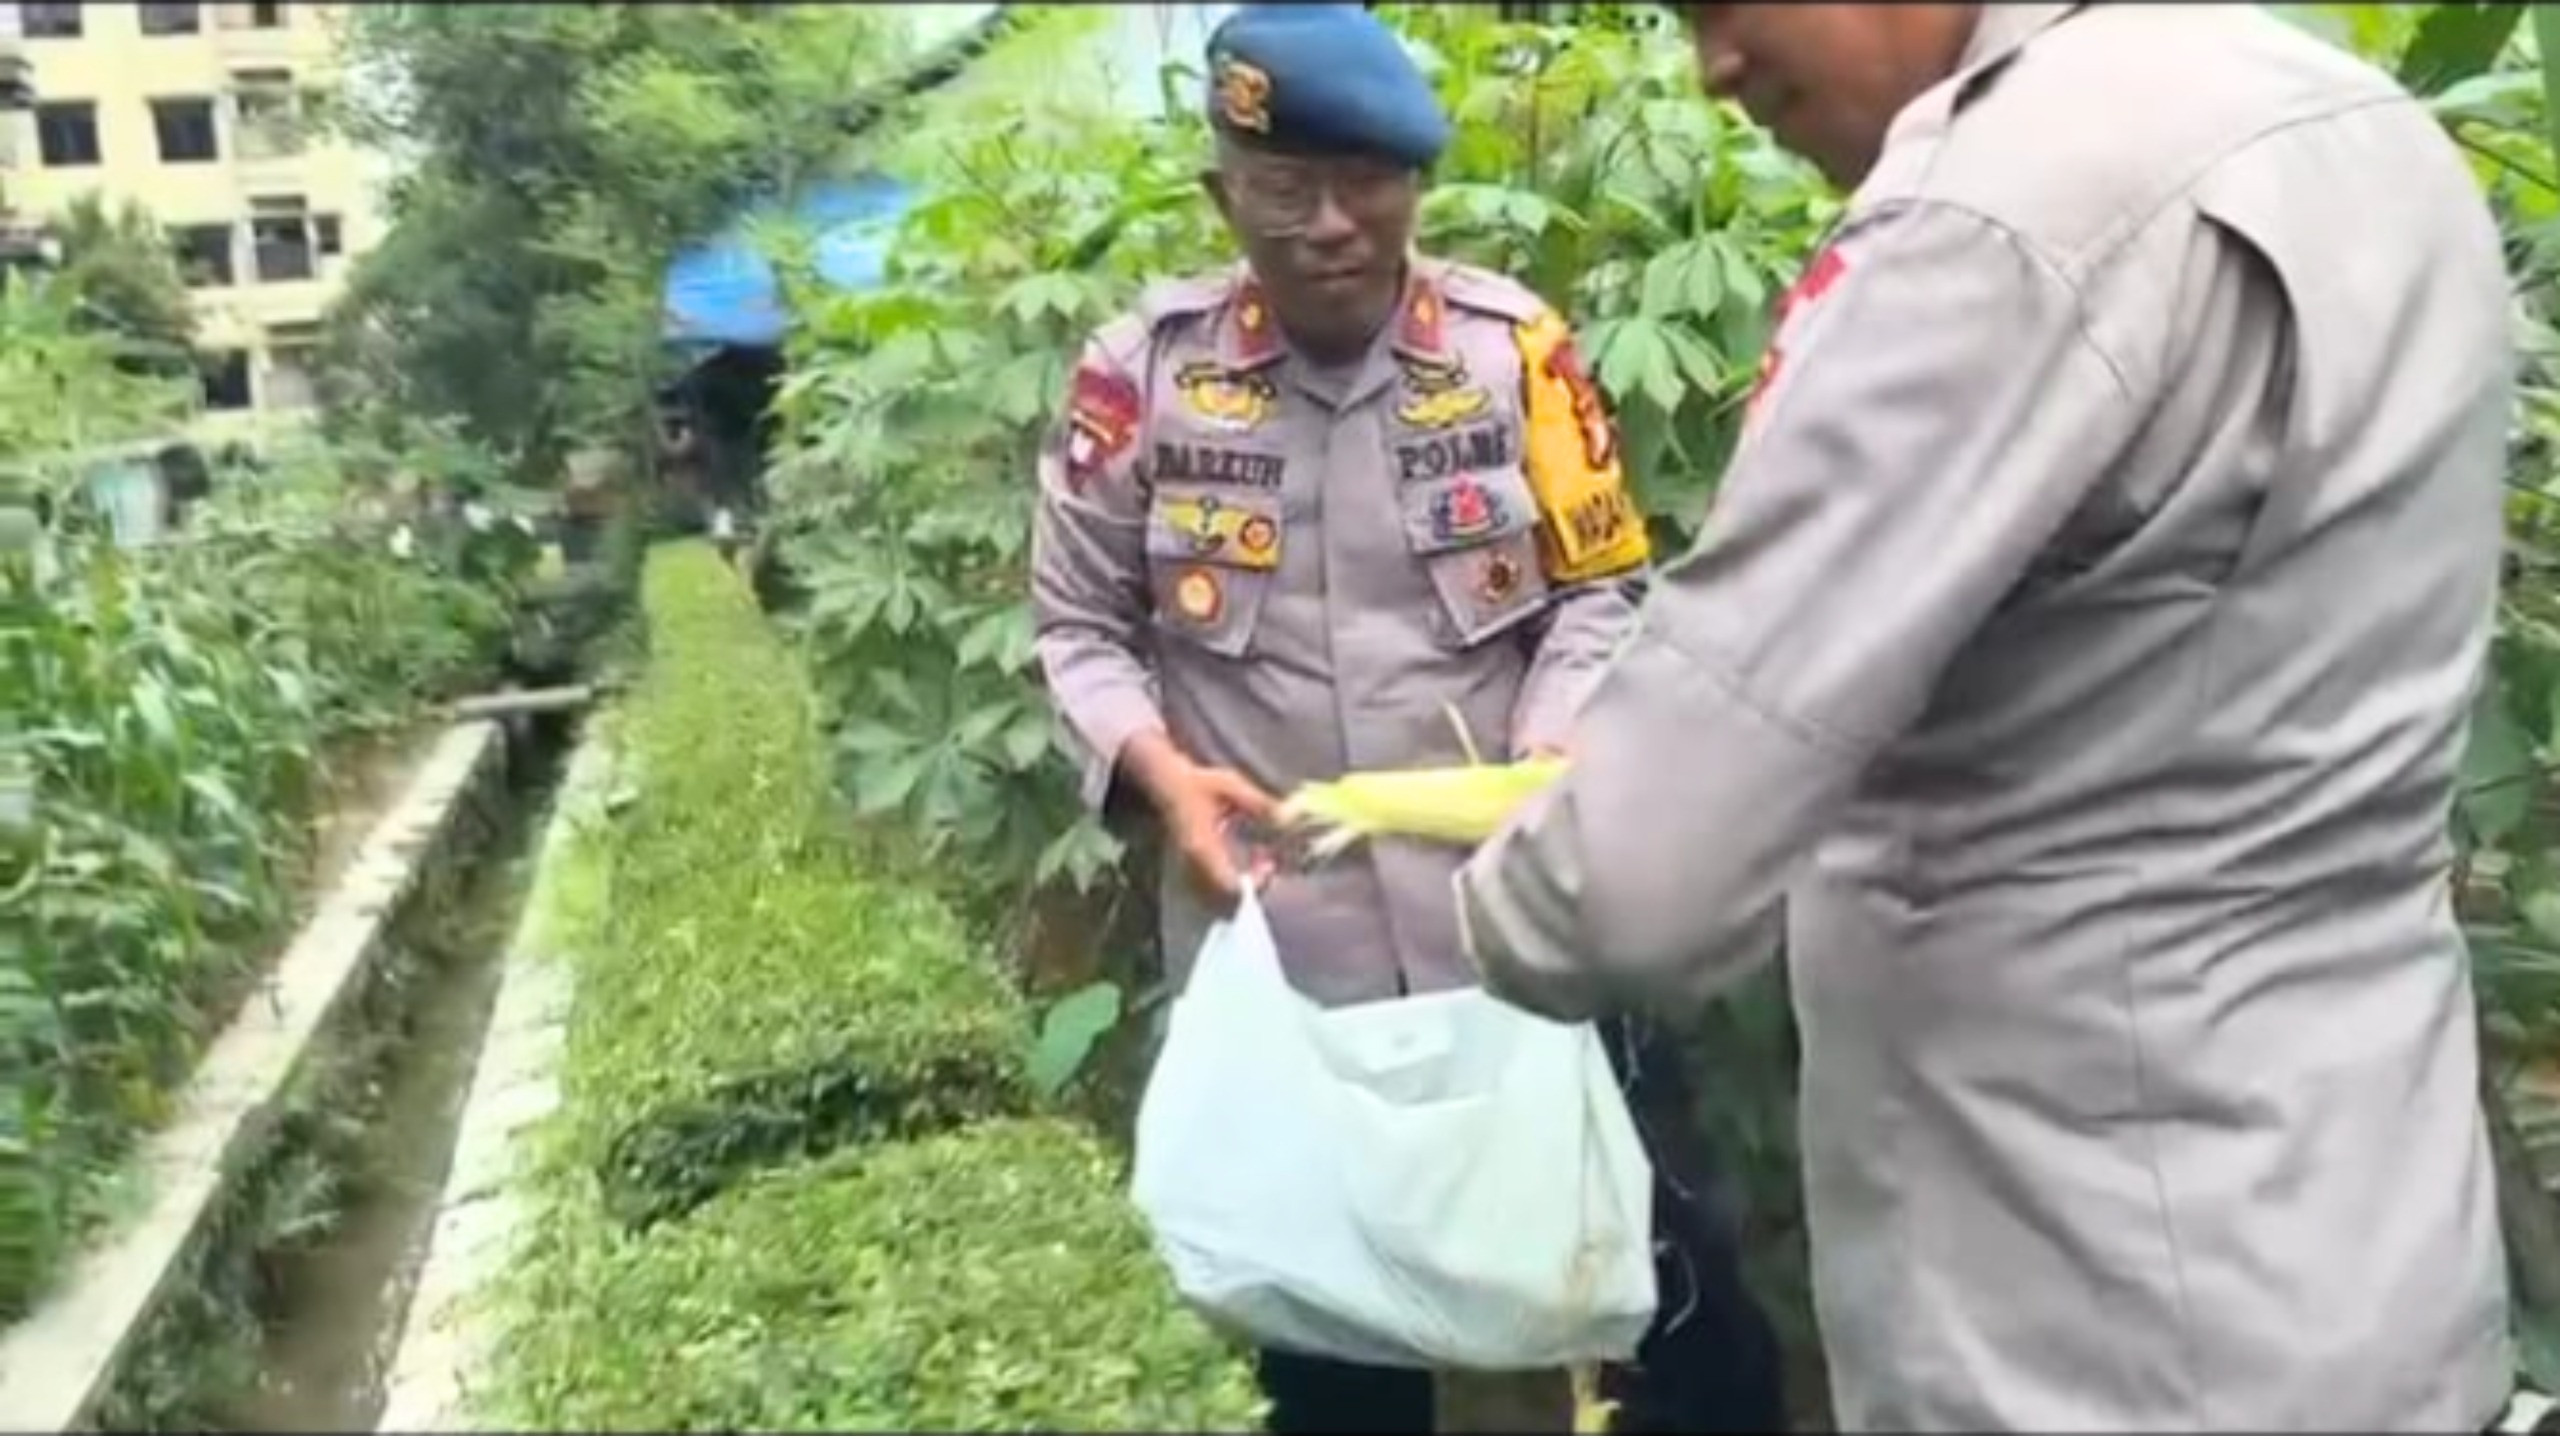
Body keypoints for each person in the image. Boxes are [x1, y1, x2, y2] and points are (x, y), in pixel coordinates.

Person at [1454, 2, 2516, 1431]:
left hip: (2087, 1325)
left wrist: (1474, 902)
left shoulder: (2010, 206)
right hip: (2372, 1258)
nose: (1712, 64)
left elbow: (1629, 883)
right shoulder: (2350, 122)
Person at [1029, 5, 1787, 1433]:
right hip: (1288, 955)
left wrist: (1554, 749)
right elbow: (1077, 627)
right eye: (1284, 188)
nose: (1330, 224)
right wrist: (1160, 777)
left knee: (1679, 1313)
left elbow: (1601, 588)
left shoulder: (1515, 355)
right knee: (1328, 1369)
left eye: (1366, 182)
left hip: (1523, 923)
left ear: (1416, 185)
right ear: (1222, 197)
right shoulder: (1143, 377)